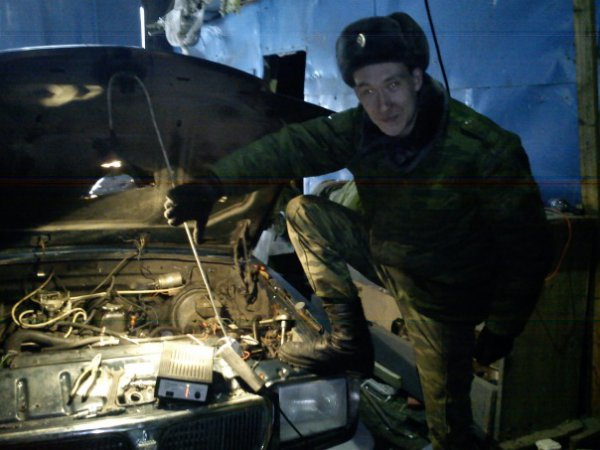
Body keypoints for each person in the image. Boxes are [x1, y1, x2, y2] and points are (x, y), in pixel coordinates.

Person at [164, 12, 551, 450]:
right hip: (387, 256)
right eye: (366, 91)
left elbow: (528, 251)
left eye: (392, 85)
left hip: (441, 296)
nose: (382, 105)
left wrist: (502, 328)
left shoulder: (483, 151)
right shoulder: (362, 129)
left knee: (448, 426)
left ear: (417, 78)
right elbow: (291, 147)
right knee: (303, 211)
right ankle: (348, 341)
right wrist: (212, 185)